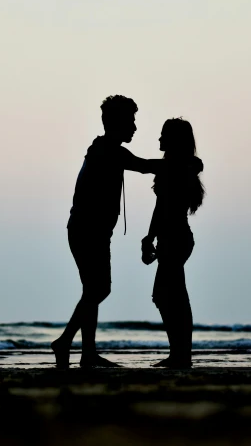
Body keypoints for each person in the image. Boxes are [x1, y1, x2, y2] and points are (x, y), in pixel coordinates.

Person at [52, 96, 177, 369]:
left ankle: (86, 353)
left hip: (92, 231)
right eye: (131, 121)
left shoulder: (105, 149)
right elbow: (145, 166)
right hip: (87, 230)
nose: (134, 127)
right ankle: (66, 343)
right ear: (116, 122)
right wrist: (183, 162)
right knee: (98, 289)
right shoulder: (107, 150)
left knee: (94, 290)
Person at [141, 118, 205, 369]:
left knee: (170, 296)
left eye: (163, 136)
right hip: (170, 237)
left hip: (177, 238)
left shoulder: (180, 168)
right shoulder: (172, 167)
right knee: (169, 296)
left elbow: (147, 167)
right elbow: (160, 206)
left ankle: (181, 354)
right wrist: (149, 236)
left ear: (174, 140)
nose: (159, 140)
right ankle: (179, 353)